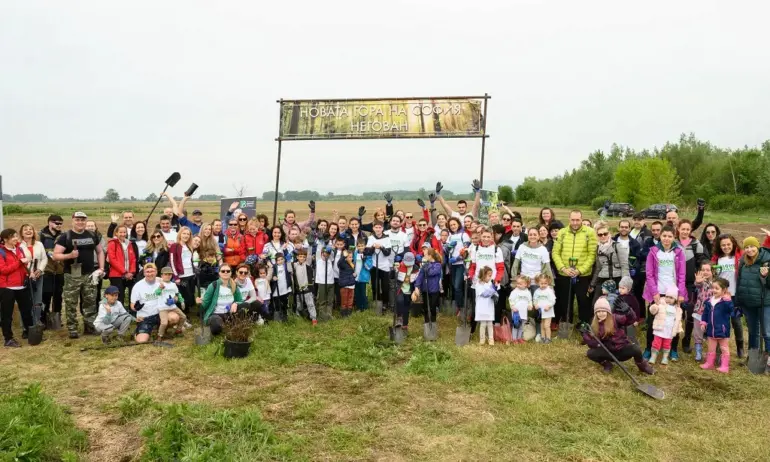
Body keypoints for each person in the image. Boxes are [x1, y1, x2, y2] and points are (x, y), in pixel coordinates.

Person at [52, 212, 105, 339]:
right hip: (72, 276)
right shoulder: (65, 237)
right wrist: (69, 256)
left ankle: (89, 326)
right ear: (72, 220)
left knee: (90, 302)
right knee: (71, 303)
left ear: (86, 221)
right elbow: (55, 255)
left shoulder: (92, 235)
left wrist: (101, 268)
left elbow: (100, 252)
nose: (80, 222)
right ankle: (72, 328)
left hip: (89, 275)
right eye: (77, 220)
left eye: (82, 220)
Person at [642, 225, 686, 360]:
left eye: (670, 236)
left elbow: (682, 275)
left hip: (673, 293)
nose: (666, 239)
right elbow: (649, 274)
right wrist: (654, 292)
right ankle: (649, 348)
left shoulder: (678, 252)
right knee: (652, 321)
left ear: (674, 237)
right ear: (660, 236)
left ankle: (672, 349)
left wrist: (681, 294)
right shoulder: (653, 252)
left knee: (674, 320)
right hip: (658, 292)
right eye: (664, 236)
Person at [580, 298, 654, 375]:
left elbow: (631, 320)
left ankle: (643, 366)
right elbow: (593, 344)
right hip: (609, 352)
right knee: (590, 353)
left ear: (608, 311)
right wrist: (585, 335)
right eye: (598, 311)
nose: (601, 313)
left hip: (622, 350)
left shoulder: (615, 318)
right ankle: (607, 364)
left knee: (636, 349)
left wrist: (628, 311)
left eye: (603, 311)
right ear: (595, 313)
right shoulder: (595, 325)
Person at [552, 210, 598, 326]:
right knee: (565, 301)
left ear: (581, 219)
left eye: (578, 220)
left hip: (582, 275)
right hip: (564, 274)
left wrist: (580, 270)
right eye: (573, 220)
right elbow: (555, 253)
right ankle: (567, 322)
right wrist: (563, 268)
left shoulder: (590, 232)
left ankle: (583, 324)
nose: (575, 222)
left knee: (583, 301)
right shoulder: (562, 232)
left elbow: (592, 255)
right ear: (569, 220)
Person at [734, 236, 770, 372]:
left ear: (758, 246)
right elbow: (740, 282)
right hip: (748, 303)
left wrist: (767, 276)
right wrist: (738, 302)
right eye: (747, 247)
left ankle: (768, 363)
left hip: (764, 302)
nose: (749, 250)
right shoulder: (743, 261)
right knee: (753, 332)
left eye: (752, 246)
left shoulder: (767, 260)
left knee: (767, 333)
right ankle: (753, 359)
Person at [673, 219, 707, 357]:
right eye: (683, 229)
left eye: (688, 229)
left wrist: (701, 280)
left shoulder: (696, 244)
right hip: (675, 284)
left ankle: (686, 342)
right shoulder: (673, 243)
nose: (685, 231)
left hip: (692, 284)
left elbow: (702, 262)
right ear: (678, 229)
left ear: (691, 231)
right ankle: (673, 341)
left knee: (690, 314)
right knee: (676, 314)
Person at [710, 234, 745, 358]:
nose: (726, 247)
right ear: (719, 246)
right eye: (723, 245)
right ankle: (720, 349)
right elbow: (714, 277)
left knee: (736, 322)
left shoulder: (739, 257)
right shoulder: (716, 259)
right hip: (721, 297)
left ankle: (740, 347)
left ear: (733, 244)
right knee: (720, 323)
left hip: (734, 296)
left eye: (728, 244)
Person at [0, 229, 34, 347]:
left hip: (22, 285)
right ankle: (8, 338)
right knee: (7, 314)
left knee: (26, 311)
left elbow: (27, 260)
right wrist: (19, 262)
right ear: (5, 239)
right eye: (12, 237)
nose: (16, 239)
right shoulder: (1, 252)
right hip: (7, 288)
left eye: (16, 236)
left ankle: (30, 333)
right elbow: (3, 270)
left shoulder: (19, 248)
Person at [700, 277, 734, 373]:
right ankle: (709, 363)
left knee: (724, 348)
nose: (714, 290)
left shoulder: (726, 302)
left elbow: (732, 312)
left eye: (717, 288)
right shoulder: (709, 302)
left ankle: (725, 366)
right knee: (711, 348)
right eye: (713, 288)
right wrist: (703, 322)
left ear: (723, 290)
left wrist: (729, 302)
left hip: (722, 331)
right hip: (711, 330)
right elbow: (705, 314)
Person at [198, 264, 244, 336]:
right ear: (219, 273)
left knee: (246, 306)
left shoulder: (234, 285)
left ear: (231, 273)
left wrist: (236, 303)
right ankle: (225, 326)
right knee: (216, 325)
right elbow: (206, 302)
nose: (225, 272)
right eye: (223, 271)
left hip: (229, 314)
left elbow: (240, 300)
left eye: (228, 271)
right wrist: (200, 304)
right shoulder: (213, 285)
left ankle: (231, 325)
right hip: (216, 314)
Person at [589, 224, 629, 306]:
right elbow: (598, 268)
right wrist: (592, 284)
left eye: (605, 234)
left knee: (615, 304)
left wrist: (624, 284)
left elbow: (624, 265)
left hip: (616, 278)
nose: (603, 236)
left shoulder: (617, 246)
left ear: (609, 234)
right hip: (602, 278)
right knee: (596, 304)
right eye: (600, 234)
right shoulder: (597, 248)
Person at [130, 263, 170, 343]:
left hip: (160, 313)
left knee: (174, 318)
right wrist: (136, 312)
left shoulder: (162, 282)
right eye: (147, 272)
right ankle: (137, 332)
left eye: (152, 271)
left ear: (156, 272)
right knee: (141, 341)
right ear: (144, 273)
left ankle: (161, 329)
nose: (150, 274)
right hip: (145, 317)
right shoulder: (138, 286)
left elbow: (172, 294)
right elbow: (132, 305)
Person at [40, 215, 65, 328]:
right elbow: (38, 251)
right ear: (50, 223)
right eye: (57, 223)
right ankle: (43, 319)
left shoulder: (64, 236)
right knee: (46, 295)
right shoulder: (41, 235)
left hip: (60, 271)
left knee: (58, 296)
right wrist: (49, 254)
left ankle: (56, 320)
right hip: (47, 270)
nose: (59, 225)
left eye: (61, 223)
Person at [648, 286, 684, 365]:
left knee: (667, 344)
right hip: (659, 329)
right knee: (656, 342)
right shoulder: (661, 304)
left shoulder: (677, 309)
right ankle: (653, 356)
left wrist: (680, 330)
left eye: (671, 297)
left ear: (675, 299)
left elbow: (678, 321)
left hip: (669, 331)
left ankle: (665, 357)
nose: (668, 299)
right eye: (667, 297)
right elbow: (653, 311)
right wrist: (654, 307)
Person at [20, 224, 47, 320]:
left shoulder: (39, 244)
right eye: (25, 230)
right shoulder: (19, 246)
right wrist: (29, 273)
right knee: (26, 301)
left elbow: (44, 259)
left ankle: (37, 321)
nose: (28, 231)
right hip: (25, 277)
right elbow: (20, 262)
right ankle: (26, 326)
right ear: (21, 233)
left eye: (30, 229)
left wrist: (40, 270)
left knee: (37, 301)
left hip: (39, 276)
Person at [106, 225, 137, 305]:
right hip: (116, 275)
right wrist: (124, 272)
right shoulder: (112, 243)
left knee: (132, 294)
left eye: (124, 232)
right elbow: (112, 260)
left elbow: (133, 258)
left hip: (128, 274)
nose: (123, 234)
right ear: (116, 233)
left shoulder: (128, 243)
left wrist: (131, 272)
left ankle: (130, 311)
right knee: (118, 297)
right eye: (120, 232)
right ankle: (117, 314)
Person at [169, 227, 196, 312]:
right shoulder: (175, 246)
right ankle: (182, 314)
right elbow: (172, 262)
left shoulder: (189, 246)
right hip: (181, 276)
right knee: (184, 295)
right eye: (184, 233)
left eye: (188, 234)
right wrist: (176, 276)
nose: (186, 235)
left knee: (191, 294)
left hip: (191, 274)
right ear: (180, 234)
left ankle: (186, 312)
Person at [413, 247, 443, 327]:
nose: (424, 257)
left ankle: (433, 322)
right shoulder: (425, 265)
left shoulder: (438, 265)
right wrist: (417, 286)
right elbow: (420, 276)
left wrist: (426, 266)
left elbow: (431, 273)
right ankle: (426, 322)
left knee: (433, 307)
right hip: (425, 289)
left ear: (430, 256)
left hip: (434, 290)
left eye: (425, 255)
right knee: (425, 307)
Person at [691, 262, 714, 361]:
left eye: (708, 270)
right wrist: (698, 281)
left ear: (712, 272)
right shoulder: (701, 283)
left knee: (711, 333)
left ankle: (711, 353)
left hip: (712, 313)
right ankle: (698, 352)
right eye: (703, 270)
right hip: (699, 312)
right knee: (698, 333)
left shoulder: (716, 283)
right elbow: (697, 284)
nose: (705, 272)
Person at [157, 267, 188, 340]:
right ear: (162, 275)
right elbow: (157, 293)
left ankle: (178, 330)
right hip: (163, 308)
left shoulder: (173, 285)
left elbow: (177, 294)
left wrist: (182, 301)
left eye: (169, 274)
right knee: (164, 323)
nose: (168, 276)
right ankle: (160, 335)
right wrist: (160, 288)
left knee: (183, 317)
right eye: (166, 274)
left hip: (173, 306)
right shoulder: (160, 284)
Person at [289, 249, 317, 324]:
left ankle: (314, 318)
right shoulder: (294, 265)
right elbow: (289, 269)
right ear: (297, 257)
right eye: (300, 256)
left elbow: (310, 256)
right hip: (298, 289)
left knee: (310, 304)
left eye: (303, 257)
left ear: (305, 258)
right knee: (299, 305)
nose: (302, 258)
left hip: (307, 288)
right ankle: (298, 317)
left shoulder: (307, 265)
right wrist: (288, 259)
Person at [475, 267, 497, 346]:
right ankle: (482, 339)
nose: (490, 277)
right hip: (482, 308)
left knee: (490, 324)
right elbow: (484, 294)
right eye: (489, 276)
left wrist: (495, 293)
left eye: (491, 275)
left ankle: (491, 339)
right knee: (483, 324)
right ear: (483, 275)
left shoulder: (490, 283)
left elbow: (493, 293)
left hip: (489, 307)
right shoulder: (478, 284)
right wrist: (493, 290)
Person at [508, 275, 532, 344]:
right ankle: (514, 338)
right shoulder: (515, 292)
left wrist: (530, 305)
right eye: (517, 283)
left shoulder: (528, 292)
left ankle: (519, 338)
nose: (518, 285)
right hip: (516, 312)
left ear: (526, 284)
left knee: (521, 326)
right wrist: (512, 306)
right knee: (516, 326)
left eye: (520, 284)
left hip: (524, 312)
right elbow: (511, 299)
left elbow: (529, 300)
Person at [533, 273, 556, 343]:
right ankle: (543, 337)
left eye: (545, 283)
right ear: (538, 283)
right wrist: (535, 304)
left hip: (548, 311)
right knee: (542, 325)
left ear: (548, 282)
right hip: (540, 311)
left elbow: (553, 300)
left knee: (547, 325)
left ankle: (548, 338)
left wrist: (549, 306)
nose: (543, 285)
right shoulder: (537, 291)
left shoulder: (549, 291)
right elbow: (535, 299)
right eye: (541, 283)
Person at [353, 239, 373, 311]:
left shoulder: (367, 255)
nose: (361, 247)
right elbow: (353, 263)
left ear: (365, 246)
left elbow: (369, 267)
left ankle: (364, 308)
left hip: (364, 278)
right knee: (357, 293)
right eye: (359, 246)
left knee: (364, 294)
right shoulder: (355, 253)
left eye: (362, 246)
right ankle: (359, 307)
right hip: (356, 277)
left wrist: (364, 261)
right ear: (357, 247)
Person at [338, 247, 356, 317]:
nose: (350, 258)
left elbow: (353, 274)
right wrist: (344, 256)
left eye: (351, 257)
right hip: (344, 285)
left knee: (350, 300)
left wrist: (355, 275)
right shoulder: (342, 264)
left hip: (351, 285)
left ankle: (349, 313)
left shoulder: (352, 265)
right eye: (348, 257)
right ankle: (343, 314)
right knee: (344, 300)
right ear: (345, 257)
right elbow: (339, 263)